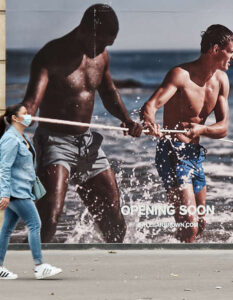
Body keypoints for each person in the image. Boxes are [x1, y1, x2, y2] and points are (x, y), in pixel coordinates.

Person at [8, 4, 142, 243]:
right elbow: (31, 104)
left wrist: (127, 119)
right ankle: (33, 270)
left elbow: (109, 92)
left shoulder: (101, 56)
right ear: (86, 31)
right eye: (100, 43)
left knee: (114, 221)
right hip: (55, 142)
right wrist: (17, 115)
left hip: (88, 144)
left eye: (107, 45)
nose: (102, 49)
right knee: (49, 218)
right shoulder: (50, 56)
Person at [141, 24, 233, 243]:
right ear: (215, 49)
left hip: (194, 154)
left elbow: (223, 128)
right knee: (189, 227)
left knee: (200, 225)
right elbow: (151, 106)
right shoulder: (181, 75)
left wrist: (202, 129)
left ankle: (179, 256)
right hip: (172, 152)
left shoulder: (222, 81)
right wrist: (150, 122)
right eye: (231, 52)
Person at [0, 104, 62, 279]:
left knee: (6, 230)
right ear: (15, 118)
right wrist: (4, 194)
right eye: (25, 113)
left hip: (21, 190)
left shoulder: (21, 137)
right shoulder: (10, 139)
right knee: (35, 224)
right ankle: (39, 266)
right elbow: (4, 167)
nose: (29, 116)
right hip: (16, 192)